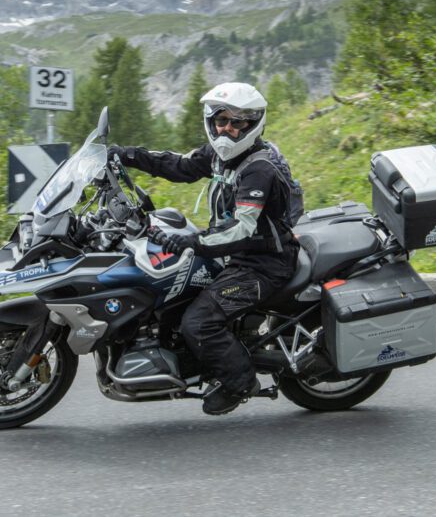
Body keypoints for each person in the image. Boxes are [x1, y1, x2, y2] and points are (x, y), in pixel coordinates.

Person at [109, 82, 299, 415]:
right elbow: (179, 167)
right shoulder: (219, 155)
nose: (227, 128)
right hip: (230, 253)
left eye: (237, 122)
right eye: (221, 120)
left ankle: (240, 382)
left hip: (263, 263)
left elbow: (243, 230)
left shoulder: (258, 170)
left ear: (253, 124)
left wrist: (192, 243)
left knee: (198, 322)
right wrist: (125, 155)